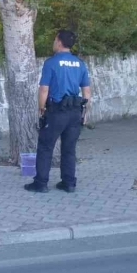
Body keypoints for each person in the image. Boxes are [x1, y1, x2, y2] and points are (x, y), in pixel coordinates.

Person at [25, 30, 92, 194]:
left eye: (55, 39)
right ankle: (69, 183)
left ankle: (41, 183)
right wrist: (85, 112)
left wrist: (41, 108)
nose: (54, 42)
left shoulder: (51, 63)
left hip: (56, 112)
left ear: (60, 42)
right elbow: (87, 92)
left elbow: (43, 89)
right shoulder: (80, 63)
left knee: (46, 147)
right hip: (75, 112)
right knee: (69, 148)